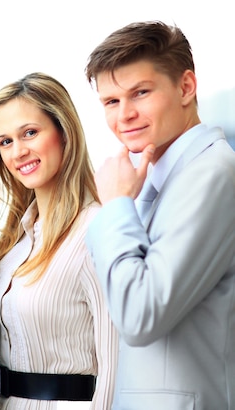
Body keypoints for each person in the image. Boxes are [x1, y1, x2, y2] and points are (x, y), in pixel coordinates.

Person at [84, 21, 235, 409]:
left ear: (186, 87)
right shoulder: (159, 179)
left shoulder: (212, 173)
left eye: (141, 93)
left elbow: (140, 315)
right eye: (111, 102)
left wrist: (116, 206)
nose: (125, 115)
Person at [0, 72, 118, 409]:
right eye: (5, 141)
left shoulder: (97, 229)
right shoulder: (14, 243)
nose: (18, 151)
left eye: (30, 133)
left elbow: (117, 364)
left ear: (64, 132)